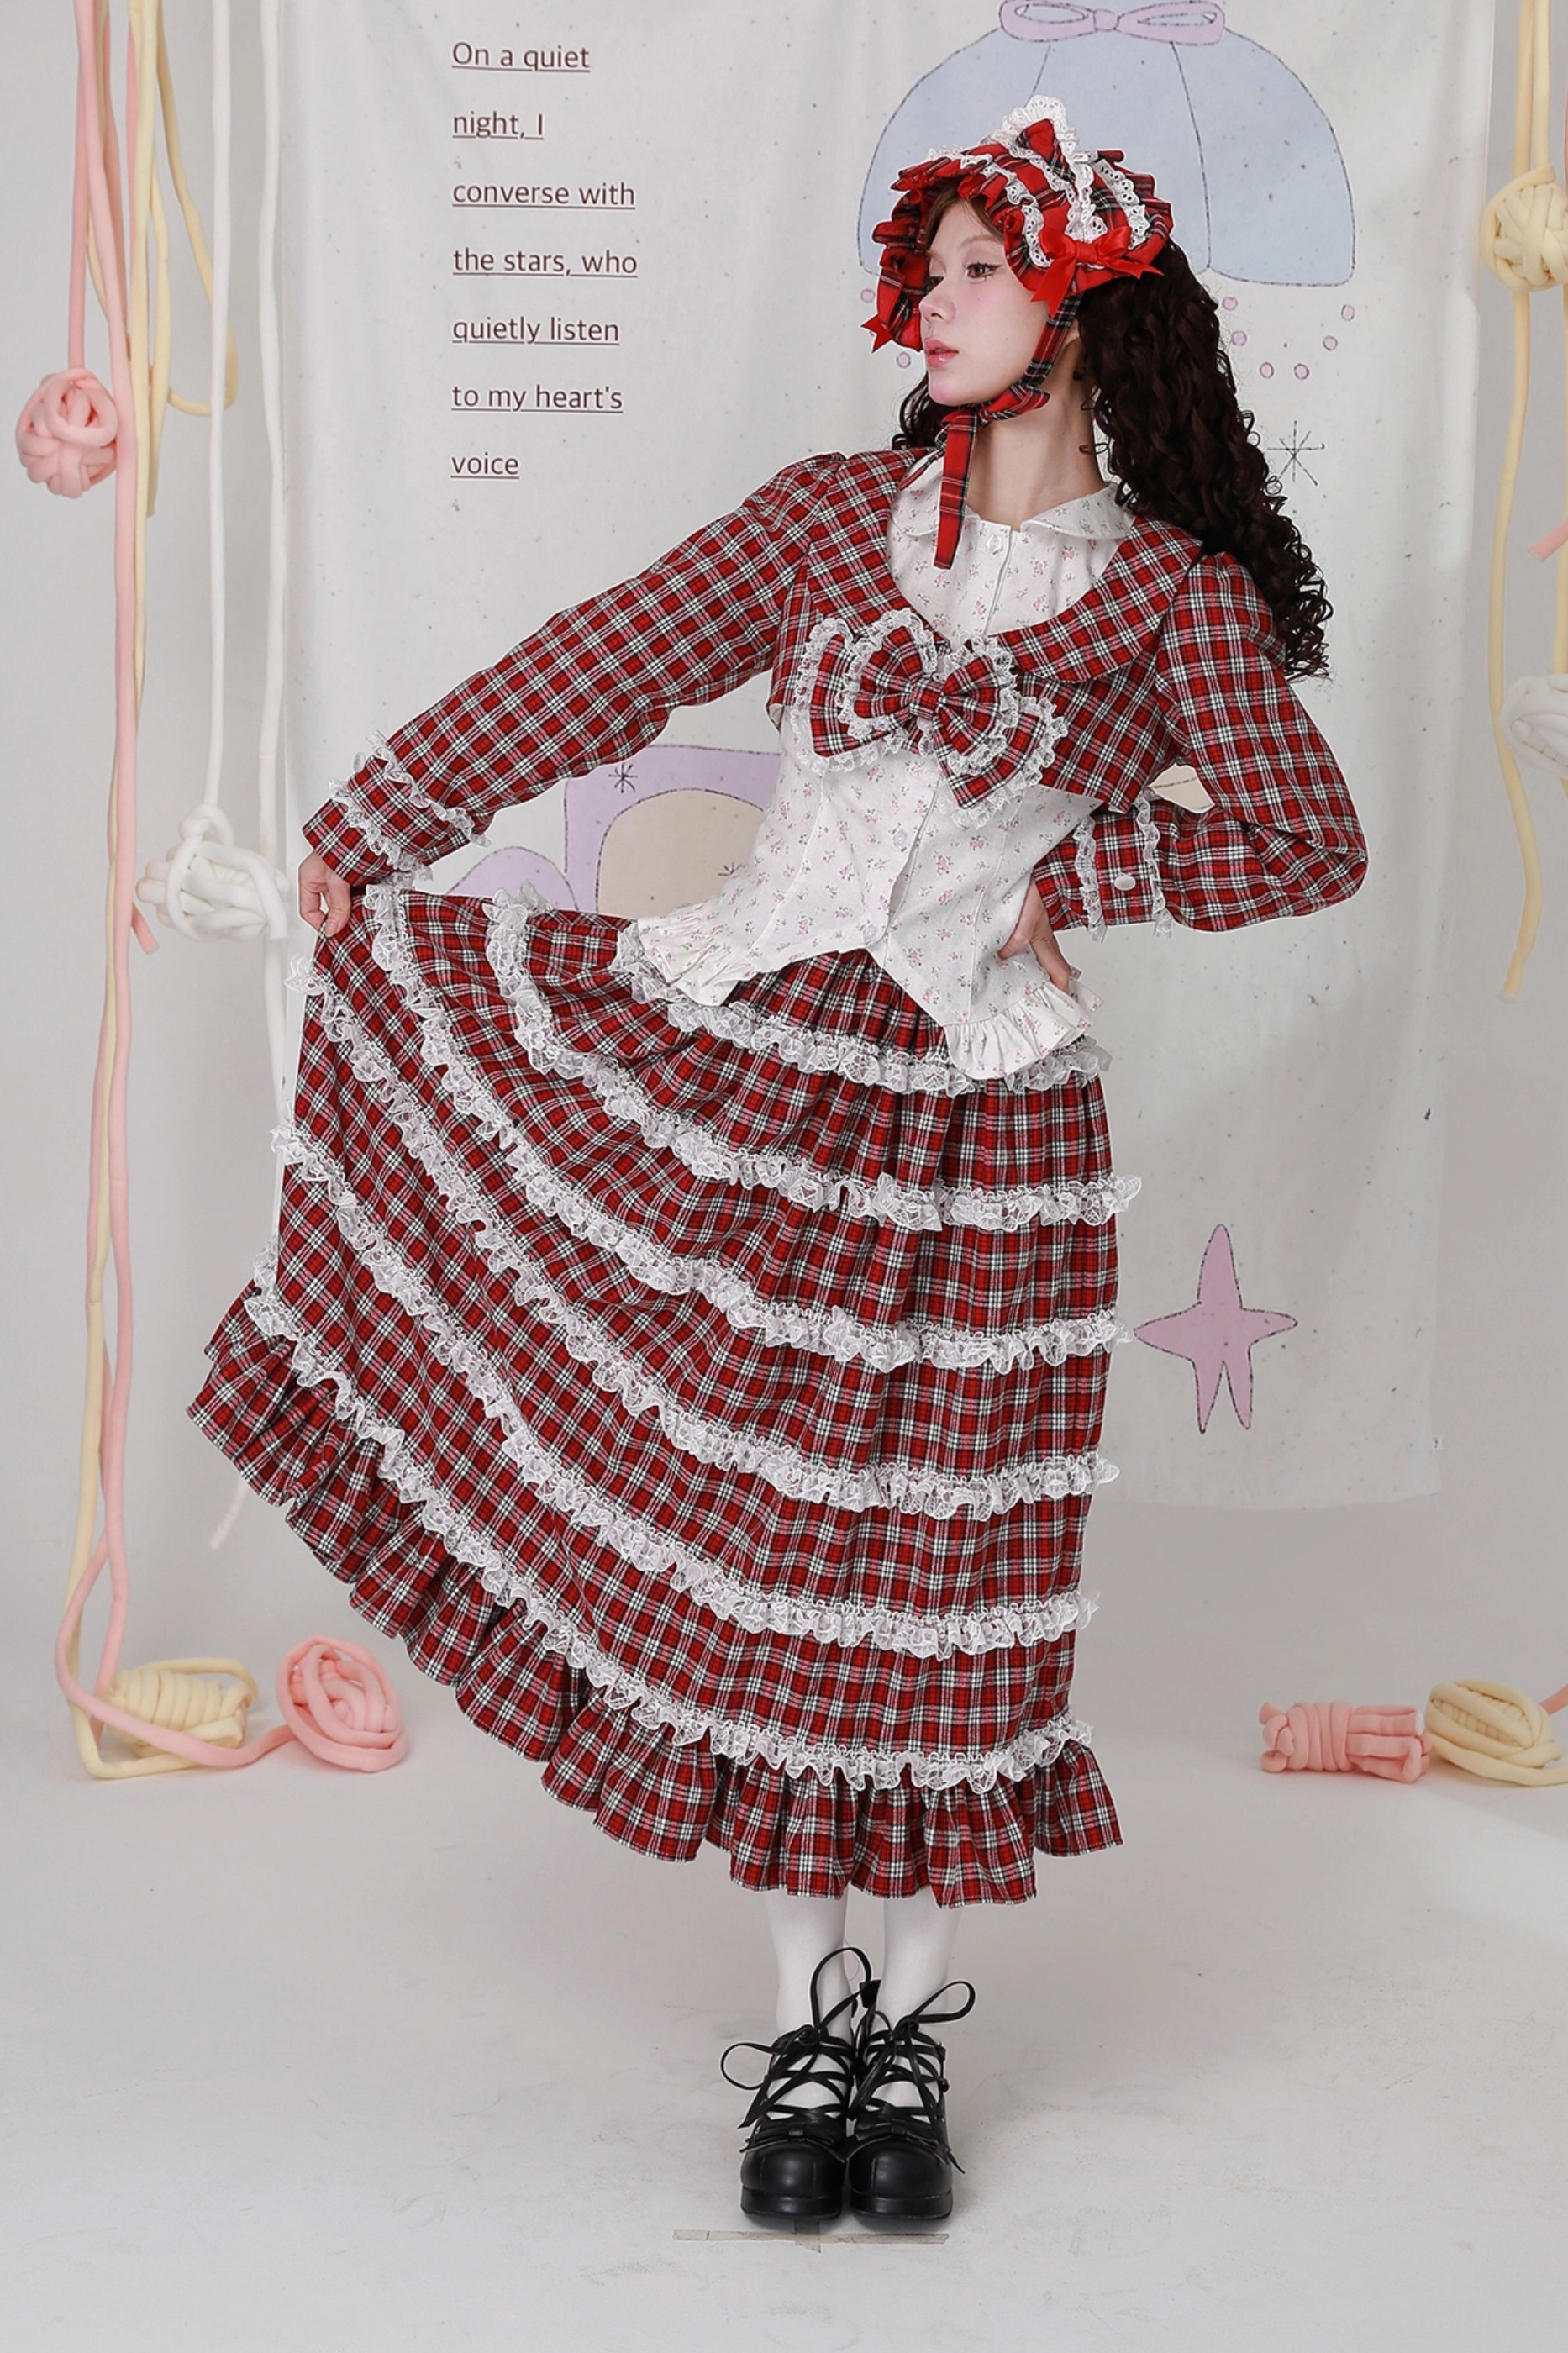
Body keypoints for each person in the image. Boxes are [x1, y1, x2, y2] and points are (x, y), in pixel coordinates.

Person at [191, 98, 1365, 2226]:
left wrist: (1085, 875)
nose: (933, 304)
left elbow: (1309, 836)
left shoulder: (1172, 598)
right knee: (771, 1571)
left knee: (929, 1598)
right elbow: (601, 661)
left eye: (980, 272)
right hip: (753, 1066)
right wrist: (379, 821)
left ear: (1082, 317)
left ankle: (901, 2045)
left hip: (985, 1130)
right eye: (930, 271)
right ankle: (812, 2022)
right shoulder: (830, 520)